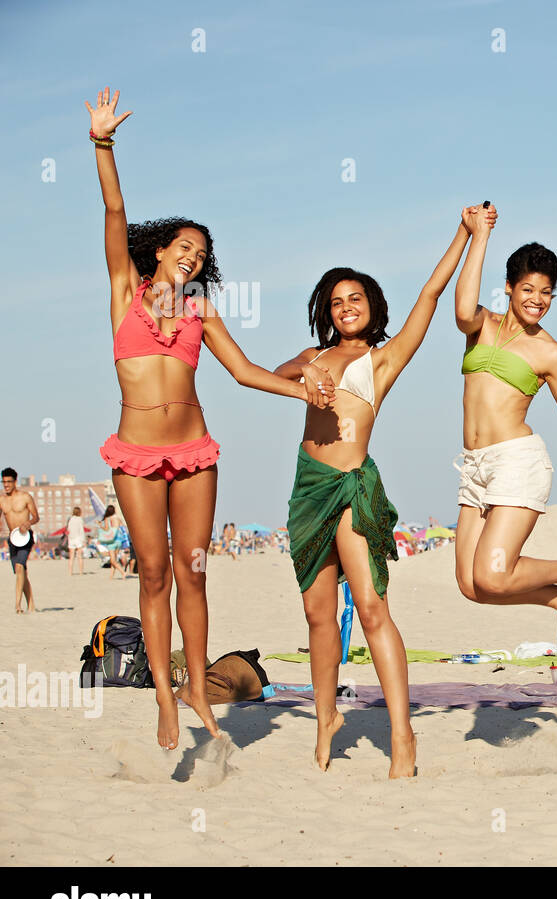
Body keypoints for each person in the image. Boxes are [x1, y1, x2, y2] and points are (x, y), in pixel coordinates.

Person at [87, 88, 330, 751]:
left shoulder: (200, 311)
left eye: (202, 252)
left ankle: (198, 683)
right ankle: (166, 697)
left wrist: (299, 388)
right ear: (161, 249)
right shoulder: (124, 291)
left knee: (194, 570)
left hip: (194, 450)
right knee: (156, 572)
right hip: (136, 453)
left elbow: (247, 371)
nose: (193, 256)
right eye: (184, 246)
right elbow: (114, 209)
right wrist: (103, 144)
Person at [274, 210, 477, 777]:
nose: (346, 308)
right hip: (307, 488)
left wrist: (464, 233)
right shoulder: (313, 357)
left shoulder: (380, 358)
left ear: (371, 304)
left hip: (352, 485)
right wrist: (304, 378)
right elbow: (274, 372)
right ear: (326, 311)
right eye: (336, 302)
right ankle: (325, 720)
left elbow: (431, 296)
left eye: (355, 298)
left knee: (369, 607)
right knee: (317, 615)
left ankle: (403, 736)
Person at [451, 204, 557, 656]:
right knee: (472, 584)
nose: (537, 299)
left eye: (546, 292)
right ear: (509, 287)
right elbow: (461, 306)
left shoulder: (551, 353)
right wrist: (478, 234)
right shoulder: (481, 326)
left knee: (491, 573)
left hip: (516, 462)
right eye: (528, 288)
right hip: (475, 466)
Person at [1, 468, 38, 613]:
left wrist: (28, 523)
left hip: (25, 537)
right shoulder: (2, 500)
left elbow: (36, 517)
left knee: (19, 567)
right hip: (12, 538)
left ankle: (17, 605)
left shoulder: (25, 497)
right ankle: (31, 604)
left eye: (9, 482)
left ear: (15, 481)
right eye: (4, 482)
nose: (6, 485)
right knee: (21, 572)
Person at [67, 506, 87, 575]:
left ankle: (70, 572)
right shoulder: (80, 519)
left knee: (71, 557)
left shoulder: (71, 519)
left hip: (71, 539)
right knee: (79, 556)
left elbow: (68, 530)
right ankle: (81, 572)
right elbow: (81, 530)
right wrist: (84, 540)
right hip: (78, 538)